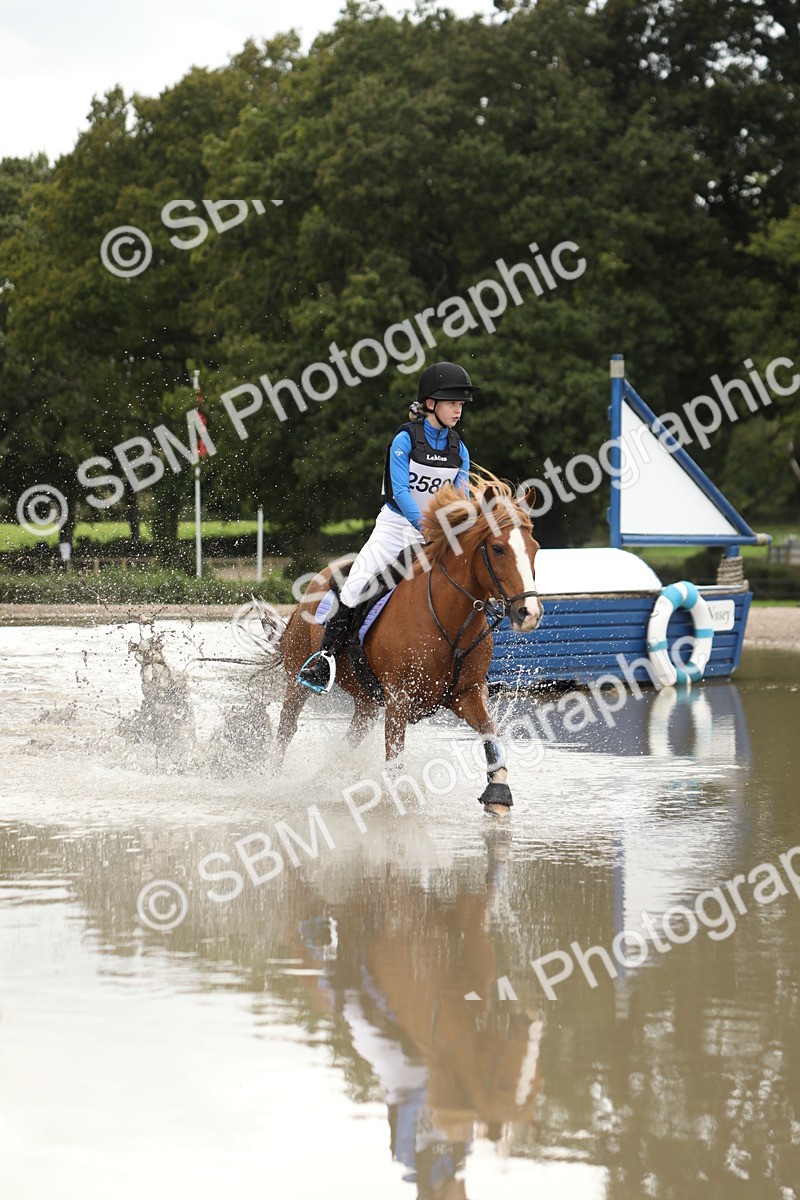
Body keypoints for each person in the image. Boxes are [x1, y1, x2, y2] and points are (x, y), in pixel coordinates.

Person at [297, 361, 479, 692]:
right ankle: (324, 659)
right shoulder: (404, 439)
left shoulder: (459, 450)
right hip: (395, 529)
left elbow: (461, 498)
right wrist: (423, 525)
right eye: (452, 402)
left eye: (461, 404)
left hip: (434, 536)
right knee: (354, 587)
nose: (458, 409)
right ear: (430, 404)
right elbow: (400, 491)